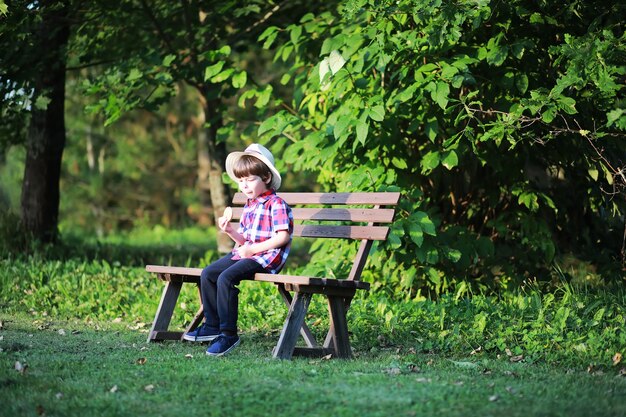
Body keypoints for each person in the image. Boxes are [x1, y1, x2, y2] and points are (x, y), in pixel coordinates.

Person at [183, 143, 293, 356]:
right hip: (247, 252)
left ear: (266, 178)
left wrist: (252, 250)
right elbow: (244, 239)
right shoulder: (250, 205)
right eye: (241, 181)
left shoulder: (276, 204)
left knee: (225, 278)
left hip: (266, 257)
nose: (244, 185)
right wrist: (230, 231)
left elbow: (282, 237)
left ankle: (228, 334)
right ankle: (212, 325)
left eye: (250, 179)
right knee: (208, 274)